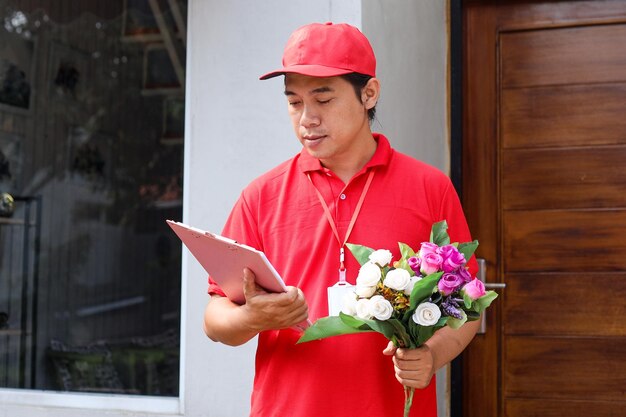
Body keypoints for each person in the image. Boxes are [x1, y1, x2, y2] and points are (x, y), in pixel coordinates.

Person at [203, 22, 480, 417]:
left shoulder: (429, 187)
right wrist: (250, 317)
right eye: (294, 102)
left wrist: (433, 356)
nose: (307, 118)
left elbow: (467, 303)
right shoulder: (261, 196)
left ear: (369, 94)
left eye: (323, 100)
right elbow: (215, 318)